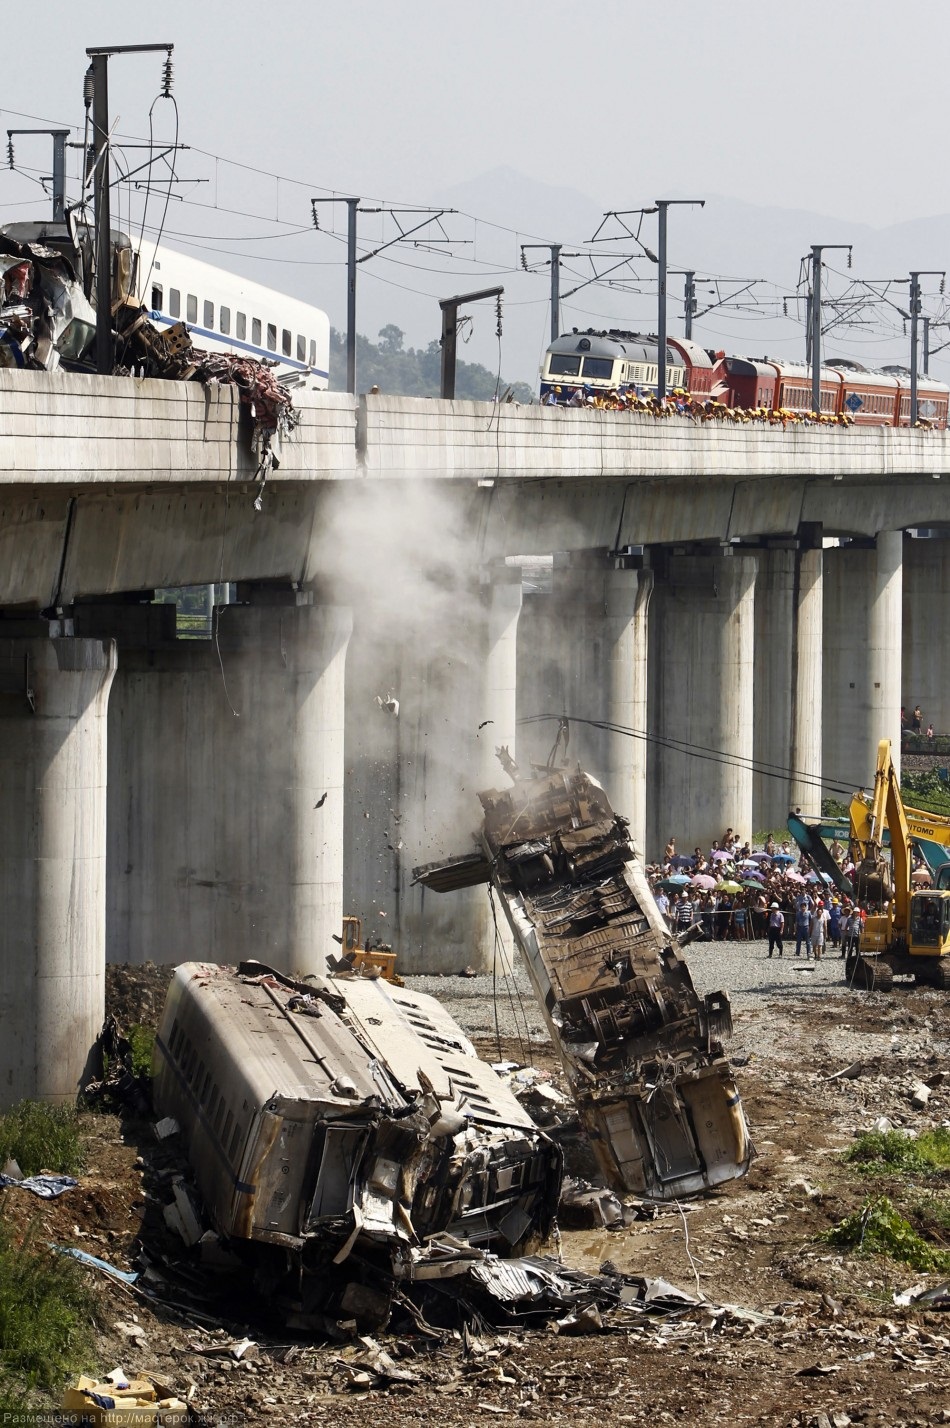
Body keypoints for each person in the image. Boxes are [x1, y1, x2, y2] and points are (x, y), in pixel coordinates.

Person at [794, 892, 813, 958]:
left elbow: (811, 921)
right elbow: (796, 921)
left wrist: (810, 929)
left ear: (805, 907)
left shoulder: (808, 913)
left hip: (806, 927)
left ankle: (808, 952)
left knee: (808, 941)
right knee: (798, 941)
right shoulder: (798, 913)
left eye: (804, 907)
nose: (803, 908)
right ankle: (797, 952)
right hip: (800, 927)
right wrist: (795, 929)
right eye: (802, 907)